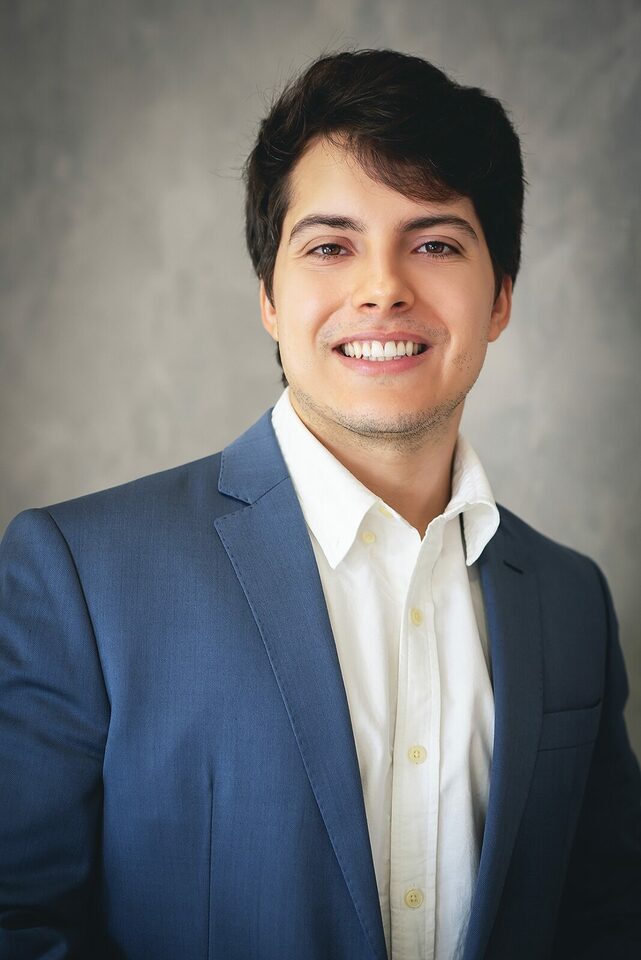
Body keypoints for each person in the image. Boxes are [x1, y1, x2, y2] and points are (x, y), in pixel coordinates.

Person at [0, 48, 639, 960]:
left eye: (435, 243)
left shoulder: (571, 599)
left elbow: (606, 920)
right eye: (330, 247)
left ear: (499, 297)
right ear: (268, 295)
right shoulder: (83, 576)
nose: (382, 288)